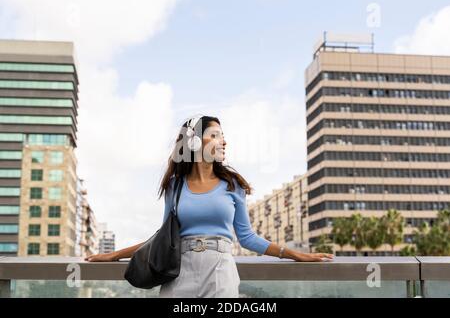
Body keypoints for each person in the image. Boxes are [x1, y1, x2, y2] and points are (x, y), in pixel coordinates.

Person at [85, 114, 334, 297]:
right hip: (179, 275)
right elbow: (163, 237)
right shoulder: (175, 186)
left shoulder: (232, 185)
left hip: (220, 273)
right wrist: (114, 255)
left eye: (223, 136)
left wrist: (294, 255)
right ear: (193, 143)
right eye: (214, 136)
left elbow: (247, 237)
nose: (223, 142)